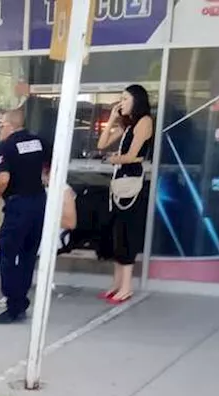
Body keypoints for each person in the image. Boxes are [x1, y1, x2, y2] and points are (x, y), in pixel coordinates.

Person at [0, 169, 75, 307]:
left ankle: (10, 293)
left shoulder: (64, 191)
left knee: (18, 249)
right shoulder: (37, 191)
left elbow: (71, 223)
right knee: (7, 246)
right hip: (35, 228)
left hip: (55, 234)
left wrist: (44, 217)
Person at [0, 108, 48, 324]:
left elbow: (3, 179)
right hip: (38, 203)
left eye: (1, 125)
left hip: (18, 205)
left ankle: (12, 305)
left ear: (10, 125)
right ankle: (21, 301)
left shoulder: (6, 146)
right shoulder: (39, 142)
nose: (0, 129)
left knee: (7, 253)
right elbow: (50, 166)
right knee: (28, 255)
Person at [97, 84, 154, 303]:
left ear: (136, 101)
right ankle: (117, 282)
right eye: (120, 99)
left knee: (128, 233)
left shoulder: (144, 122)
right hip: (119, 180)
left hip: (132, 181)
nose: (122, 103)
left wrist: (113, 159)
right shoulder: (127, 125)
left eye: (125, 99)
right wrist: (112, 118)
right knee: (117, 232)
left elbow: (132, 155)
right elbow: (102, 144)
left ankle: (127, 286)